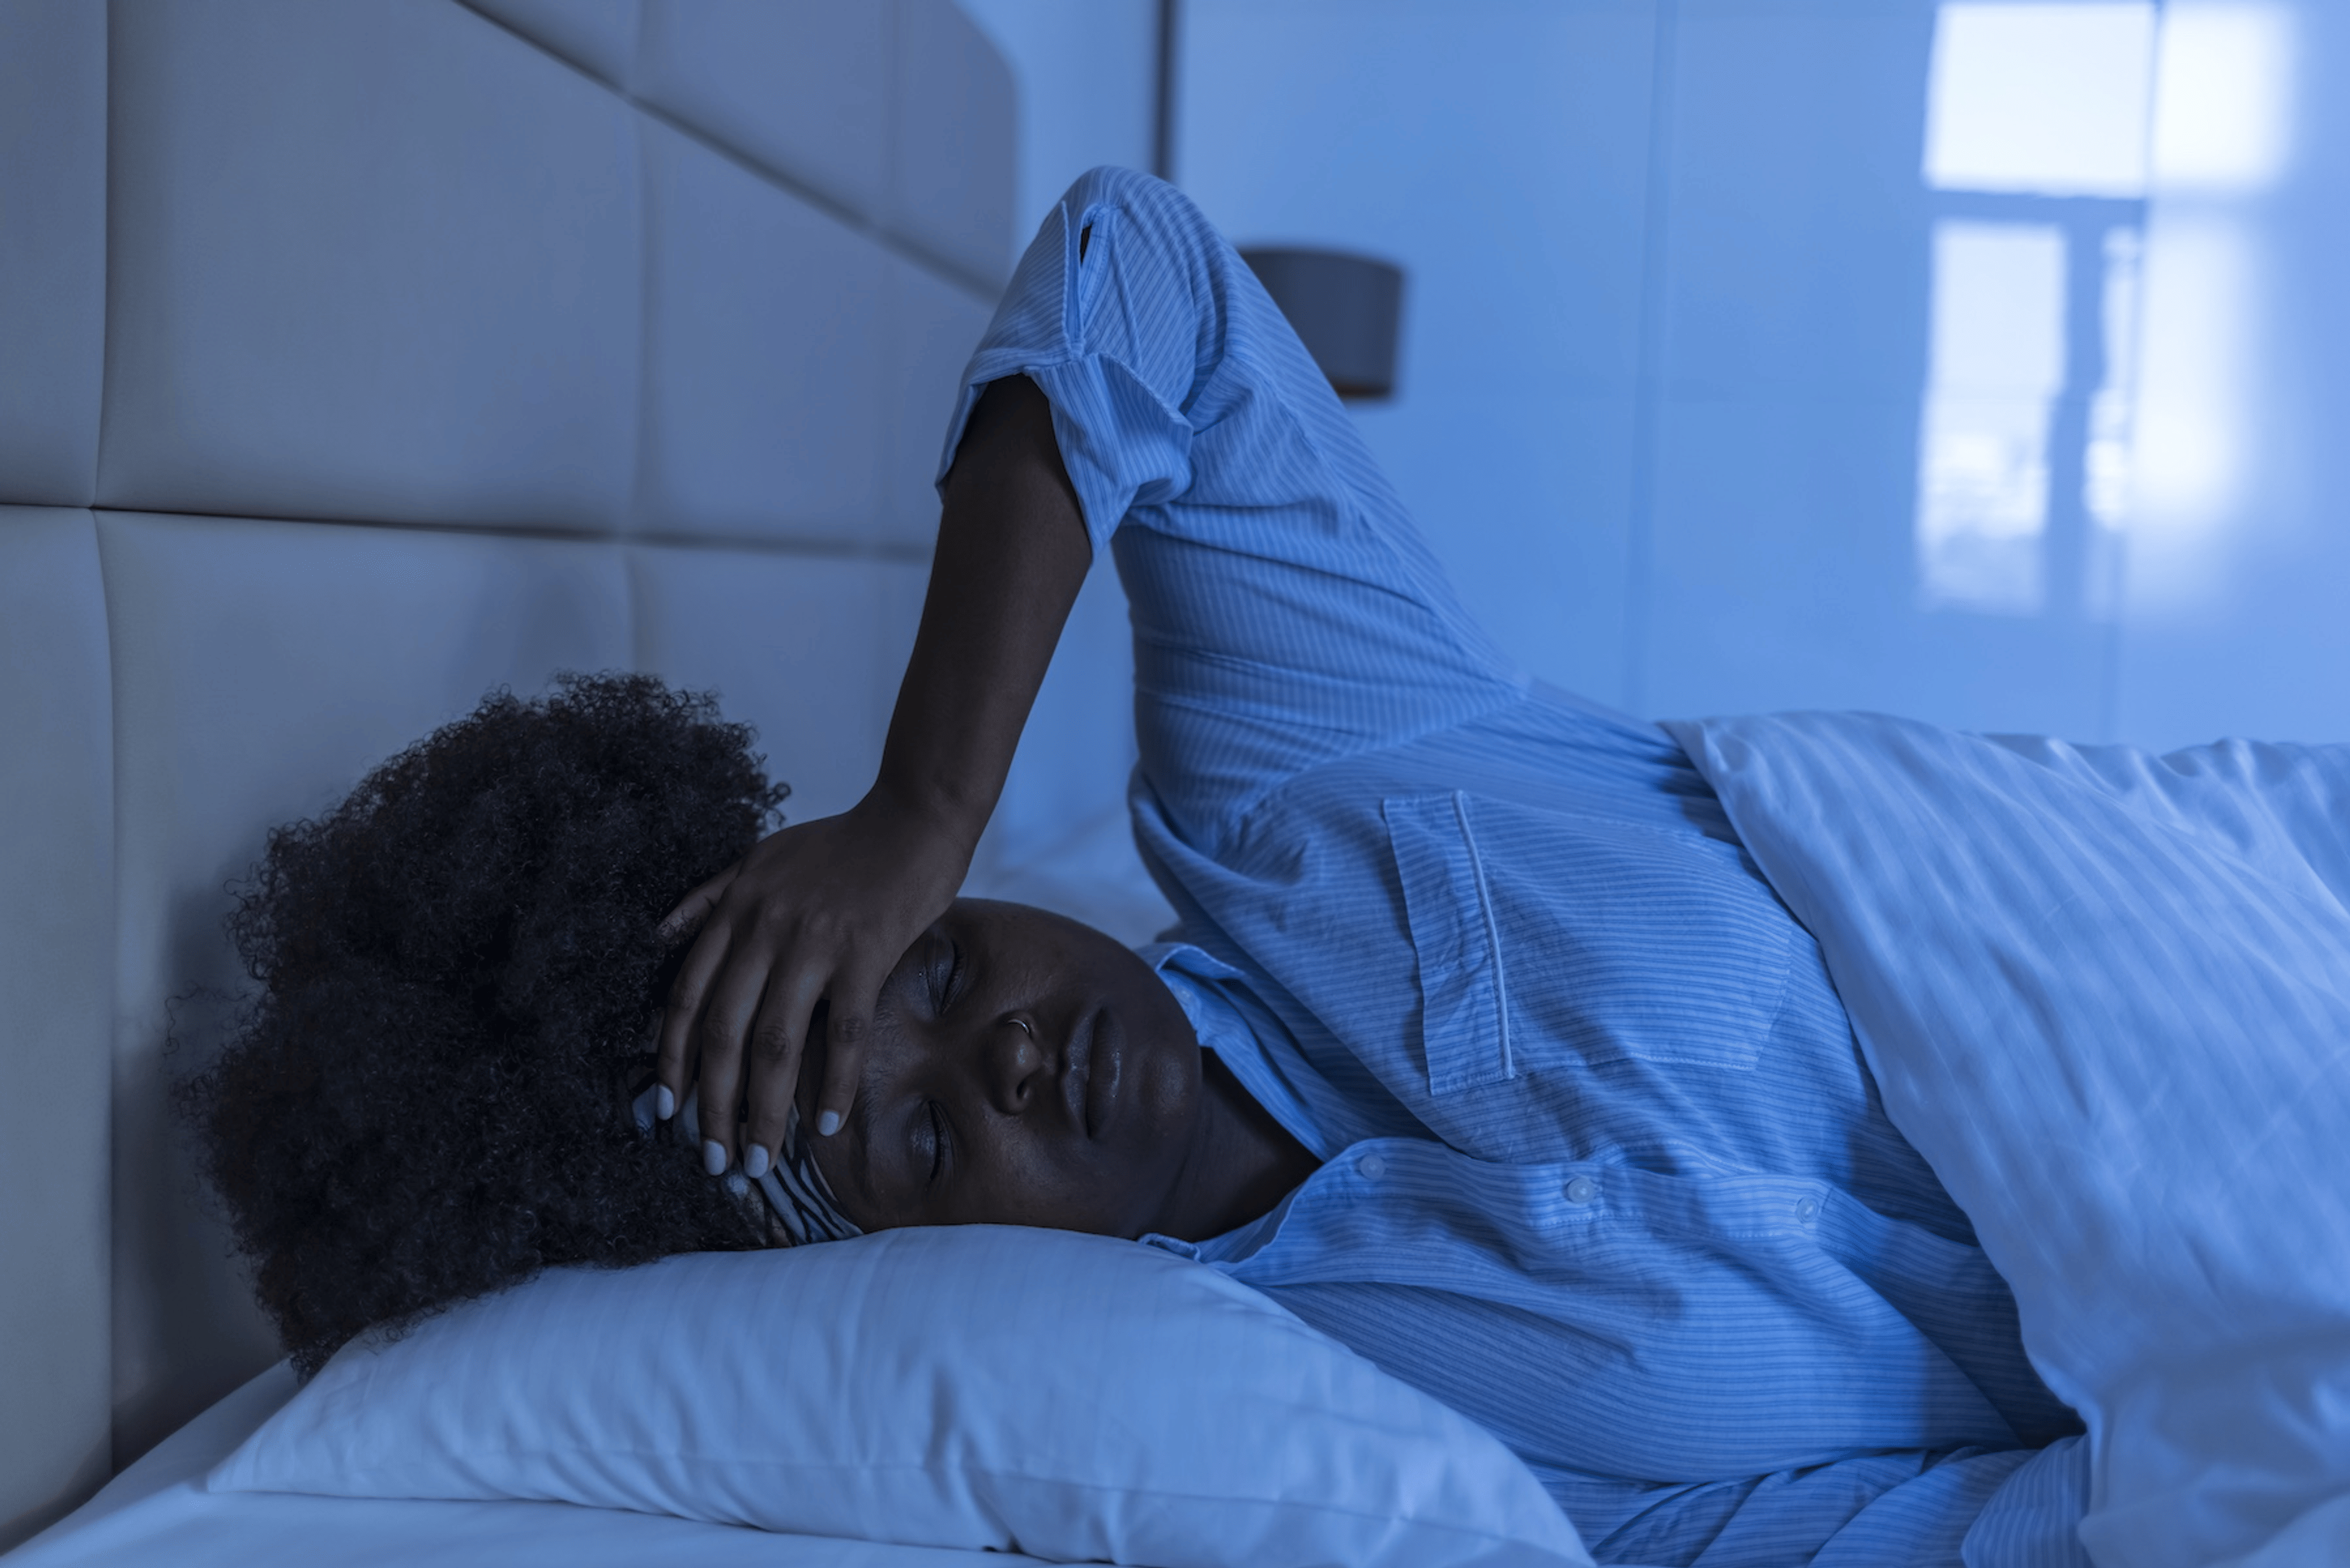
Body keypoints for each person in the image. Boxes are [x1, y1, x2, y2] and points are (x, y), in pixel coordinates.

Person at [191, 168, 2087, 1565]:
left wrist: (920, 806)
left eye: (932, 968)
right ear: (906, 1269)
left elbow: (1142, 274)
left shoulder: (1300, 786)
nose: (1008, 1054)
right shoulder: (1339, 1440)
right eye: (924, 1141)